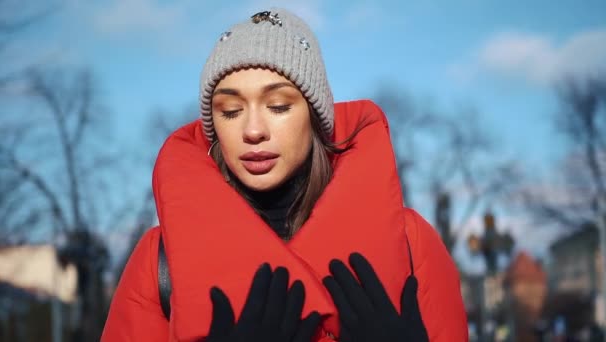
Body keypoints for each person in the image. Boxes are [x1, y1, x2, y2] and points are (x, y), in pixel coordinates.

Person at [102, 8, 467, 342]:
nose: (254, 130)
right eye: (229, 111)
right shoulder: (161, 262)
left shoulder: (409, 243)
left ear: (314, 117)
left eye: (278, 105)